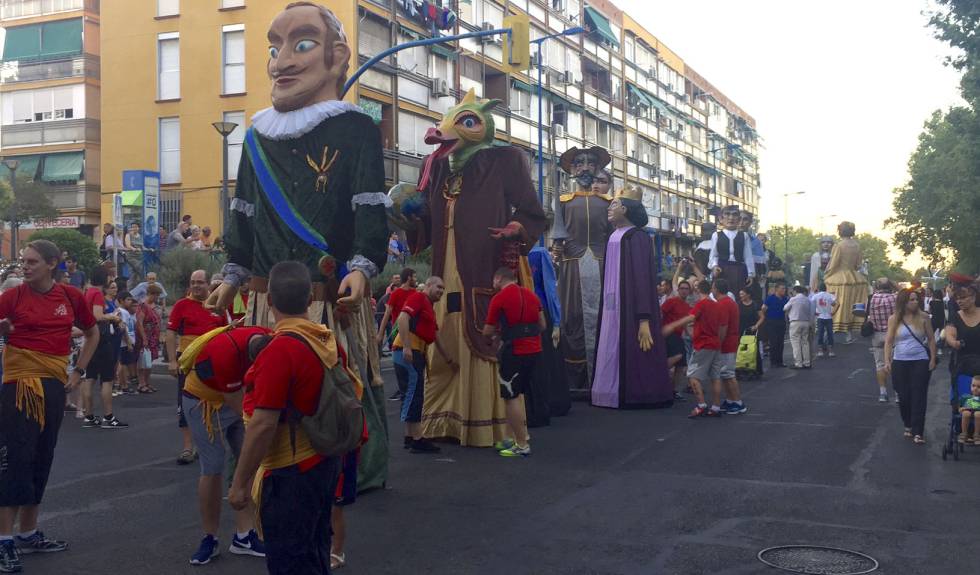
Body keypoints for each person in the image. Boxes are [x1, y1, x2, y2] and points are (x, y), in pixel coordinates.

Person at [206, 2, 391, 491]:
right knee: (267, 390)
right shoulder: (255, 137)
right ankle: (268, 465)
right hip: (267, 298)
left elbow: (369, 207)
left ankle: (344, 471)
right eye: (274, 47)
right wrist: (233, 275)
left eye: (301, 44)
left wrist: (363, 266)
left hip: (328, 296)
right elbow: (242, 213)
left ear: (337, 57)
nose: (281, 60)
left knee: (336, 384)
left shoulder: (356, 129)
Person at [405, 88, 547, 447]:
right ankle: (442, 421)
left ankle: (485, 425)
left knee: (480, 335)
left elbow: (532, 213)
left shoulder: (505, 159)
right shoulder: (434, 164)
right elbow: (423, 220)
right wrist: (406, 215)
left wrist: (515, 230)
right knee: (444, 338)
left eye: (465, 122)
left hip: (485, 264)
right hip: (444, 269)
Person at [228, 261, 341, 574]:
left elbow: (263, 424)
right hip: (322, 462)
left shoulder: (280, 351)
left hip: (292, 473)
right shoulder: (326, 340)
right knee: (315, 553)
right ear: (309, 301)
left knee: (291, 562)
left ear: (268, 301)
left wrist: (240, 483)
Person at [0, 240, 99, 573]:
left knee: (43, 454)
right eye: (24, 261)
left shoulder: (70, 297)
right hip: (20, 386)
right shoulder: (11, 297)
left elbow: (92, 332)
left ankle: (27, 533)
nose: (25, 266)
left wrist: (79, 370)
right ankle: (4, 541)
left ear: (52, 264)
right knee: (15, 458)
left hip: (55, 384)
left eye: (32, 262)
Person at [178, 324, 270, 565]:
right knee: (213, 467)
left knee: (248, 461)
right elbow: (240, 408)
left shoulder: (266, 337)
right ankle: (210, 538)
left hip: (237, 395)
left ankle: (244, 536)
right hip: (203, 403)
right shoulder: (225, 354)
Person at [591, 191, 672, 409]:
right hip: (612, 304)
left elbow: (642, 278)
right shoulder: (614, 236)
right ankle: (608, 390)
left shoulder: (638, 237)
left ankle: (637, 393)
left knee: (634, 349)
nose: (609, 208)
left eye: (614, 204)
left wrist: (643, 318)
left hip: (630, 307)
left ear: (625, 209)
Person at [553, 150, 613, 399]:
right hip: (572, 267)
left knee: (604, 318)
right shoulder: (564, 201)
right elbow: (557, 238)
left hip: (602, 265)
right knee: (573, 317)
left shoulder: (609, 204)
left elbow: (613, 238)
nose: (585, 168)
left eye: (590, 163)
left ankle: (603, 375)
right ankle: (574, 379)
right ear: (572, 170)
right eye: (579, 164)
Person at [482, 267, 545, 456]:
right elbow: (542, 325)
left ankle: (522, 445)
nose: (493, 285)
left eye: (493, 281)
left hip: (514, 351)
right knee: (519, 395)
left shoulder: (499, 298)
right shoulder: (532, 296)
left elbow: (487, 331)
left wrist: (492, 339)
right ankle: (511, 438)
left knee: (510, 397)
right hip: (534, 350)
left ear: (499, 278)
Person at [167, 270, 227, 465]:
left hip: (211, 362)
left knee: (210, 402)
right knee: (185, 403)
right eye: (193, 282)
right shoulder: (181, 305)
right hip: (187, 361)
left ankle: (207, 444)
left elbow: (227, 332)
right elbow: (170, 333)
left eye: (200, 282)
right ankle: (187, 447)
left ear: (209, 284)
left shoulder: (218, 307)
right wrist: (172, 361)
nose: (196, 286)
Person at [394, 276, 449, 454]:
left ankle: (410, 436)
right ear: (429, 285)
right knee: (414, 394)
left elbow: (436, 334)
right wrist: (408, 347)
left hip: (416, 350)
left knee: (411, 393)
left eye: (443, 289)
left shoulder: (428, 306)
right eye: (438, 287)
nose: (440, 291)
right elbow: (402, 319)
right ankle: (418, 439)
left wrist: (448, 358)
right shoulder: (418, 298)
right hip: (410, 350)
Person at [663, 280, 726, 417]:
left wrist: (672, 326)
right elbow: (722, 327)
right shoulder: (717, 306)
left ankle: (701, 405)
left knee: (692, 375)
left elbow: (690, 318)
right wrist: (718, 341)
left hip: (703, 344)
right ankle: (715, 407)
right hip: (715, 344)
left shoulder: (701, 304)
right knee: (715, 377)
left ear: (698, 290)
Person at [883, 288, 936, 444]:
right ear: (903, 302)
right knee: (903, 395)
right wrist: (887, 360)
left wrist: (932, 358)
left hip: (920, 359)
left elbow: (932, 339)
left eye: (916, 299)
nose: (915, 302)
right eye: (911, 300)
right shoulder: (894, 319)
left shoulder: (924, 317)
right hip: (900, 360)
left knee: (919, 395)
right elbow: (889, 341)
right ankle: (908, 423)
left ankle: (918, 431)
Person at [80, 268, 128, 428]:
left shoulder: (88, 292)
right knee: (107, 380)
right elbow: (97, 316)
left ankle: (89, 416)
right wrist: (113, 317)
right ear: (104, 278)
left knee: (90, 378)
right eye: (109, 276)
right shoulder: (98, 294)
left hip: (90, 340)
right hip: (101, 340)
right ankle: (108, 417)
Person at [823, 221, 869, 342]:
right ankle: (849, 333)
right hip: (854, 278)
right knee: (851, 305)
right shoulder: (857, 245)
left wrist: (827, 274)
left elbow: (833, 263)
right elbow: (858, 264)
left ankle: (829, 332)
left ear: (840, 231)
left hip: (839, 278)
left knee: (836, 304)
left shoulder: (838, 246)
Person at [377, 268, 417, 401]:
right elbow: (387, 314)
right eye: (414, 277)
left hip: (413, 333)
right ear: (409, 277)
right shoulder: (396, 294)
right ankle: (403, 391)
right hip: (397, 333)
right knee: (400, 364)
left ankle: (410, 391)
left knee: (414, 363)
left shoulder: (415, 293)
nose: (416, 279)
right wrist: (380, 334)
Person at [946, 277, 980, 416]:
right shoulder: (956, 316)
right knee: (967, 399)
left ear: (973, 297)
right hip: (963, 365)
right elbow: (949, 333)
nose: (959, 301)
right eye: (957, 298)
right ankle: (968, 427)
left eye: (963, 297)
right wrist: (954, 343)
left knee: (977, 402)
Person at [712, 279, 747, 414]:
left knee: (728, 373)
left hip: (726, 342)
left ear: (716, 289)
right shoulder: (730, 302)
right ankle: (731, 400)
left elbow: (723, 326)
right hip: (730, 340)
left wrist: (718, 342)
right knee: (725, 373)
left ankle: (738, 402)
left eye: (713, 288)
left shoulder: (723, 304)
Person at [708, 205, 754, 293]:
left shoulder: (744, 236)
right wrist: (714, 266)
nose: (731, 218)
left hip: (739, 270)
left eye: (734, 215)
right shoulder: (716, 235)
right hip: (722, 270)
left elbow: (748, 256)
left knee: (738, 294)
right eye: (727, 214)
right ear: (721, 218)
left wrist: (751, 273)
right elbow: (713, 255)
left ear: (739, 219)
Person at [661, 280, 693, 401]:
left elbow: (684, 323)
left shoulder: (687, 307)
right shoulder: (671, 301)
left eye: (686, 289)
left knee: (681, 365)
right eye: (682, 288)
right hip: (669, 334)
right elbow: (660, 313)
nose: (684, 290)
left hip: (678, 335)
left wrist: (690, 334)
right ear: (678, 290)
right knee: (678, 356)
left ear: (689, 292)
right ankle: (658, 370)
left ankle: (674, 391)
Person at [869, 278, 898, 402]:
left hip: (877, 334)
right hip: (893, 334)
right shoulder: (894, 298)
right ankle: (897, 394)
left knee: (880, 364)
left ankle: (883, 392)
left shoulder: (873, 298)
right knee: (895, 364)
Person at [135, 284, 162, 394]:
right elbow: (139, 323)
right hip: (145, 337)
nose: (157, 297)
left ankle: (147, 382)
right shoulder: (143, 306)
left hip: (153, 338)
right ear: (151, 294)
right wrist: (144, 338)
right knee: (142, 360)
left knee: (149, 361)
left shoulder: (154, 306)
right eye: (156, 295)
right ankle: (141, 383)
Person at [737, 286, 765, 376]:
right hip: (741, 330)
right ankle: (742, 369)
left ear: (748, 295)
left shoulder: (755, 305)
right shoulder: (738, 305)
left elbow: (762, 317)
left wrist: (756, 326)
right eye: (740, 294)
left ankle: (755, 370)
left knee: (753, 351)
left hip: (752, 331)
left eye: (742, 294)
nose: (741, 296)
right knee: (742, 351)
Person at [784, 285, 813, 369]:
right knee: (805, 342)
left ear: (795, 291)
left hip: (795, 322)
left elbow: (785, 308)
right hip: (806, 322)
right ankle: (807, 362)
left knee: (796, 343)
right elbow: (810, 312)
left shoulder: (793, 299)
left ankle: (798, 363)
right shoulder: (807, 300)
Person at [117, 291, 139, 395]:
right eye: (128, 300)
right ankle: (123, 385)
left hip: (127, 342)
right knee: (123, 364)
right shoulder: (122, 312)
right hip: (124, 343)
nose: (130, 302)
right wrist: (128, 342)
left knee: (125, 363)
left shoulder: (125, 312)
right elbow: (123, 328)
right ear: (121, 301)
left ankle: (123, 384)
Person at [811, 283, 839, 358]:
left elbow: (811, 305)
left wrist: (814, 312)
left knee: (820, 334)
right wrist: (834, 312)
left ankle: (820, 351)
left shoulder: (815, 296)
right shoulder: (829, 295)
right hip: (829, 317)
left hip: (820, 317)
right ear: (826, 288)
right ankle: (831, 351)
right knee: (830, 334)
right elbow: (836, 304)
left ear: (819, 289)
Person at [764, 283, 789, 368]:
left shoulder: (785, 299)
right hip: (772, 322)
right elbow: (763, 308)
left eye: (784, 289)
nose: (784, 290)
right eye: (782, 288)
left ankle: (780, 361)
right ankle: (773, 362)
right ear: (777, 289)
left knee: (780, 342)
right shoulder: (770, 298)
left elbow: (787, 311)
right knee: (773, 342)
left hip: (781, 322)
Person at [957, 376, 980, 444]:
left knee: (978, 414)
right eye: (973, 386)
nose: (975, 388)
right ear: (970, 386)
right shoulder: (965, 397)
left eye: (979, 387)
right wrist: (961, 409)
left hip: (978, 414)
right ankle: (964, 433)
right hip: (968, 412)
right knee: (965, 413)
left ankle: (977, 434)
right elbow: (959, 408)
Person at [928, 287, 946, 356]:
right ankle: (940, 349)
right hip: (942, 320)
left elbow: (929, 311)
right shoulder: (943, 303)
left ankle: (930, 347)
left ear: (934, 295)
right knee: (942, 335)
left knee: (931, 334)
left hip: (934, 320)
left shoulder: (931, 302)